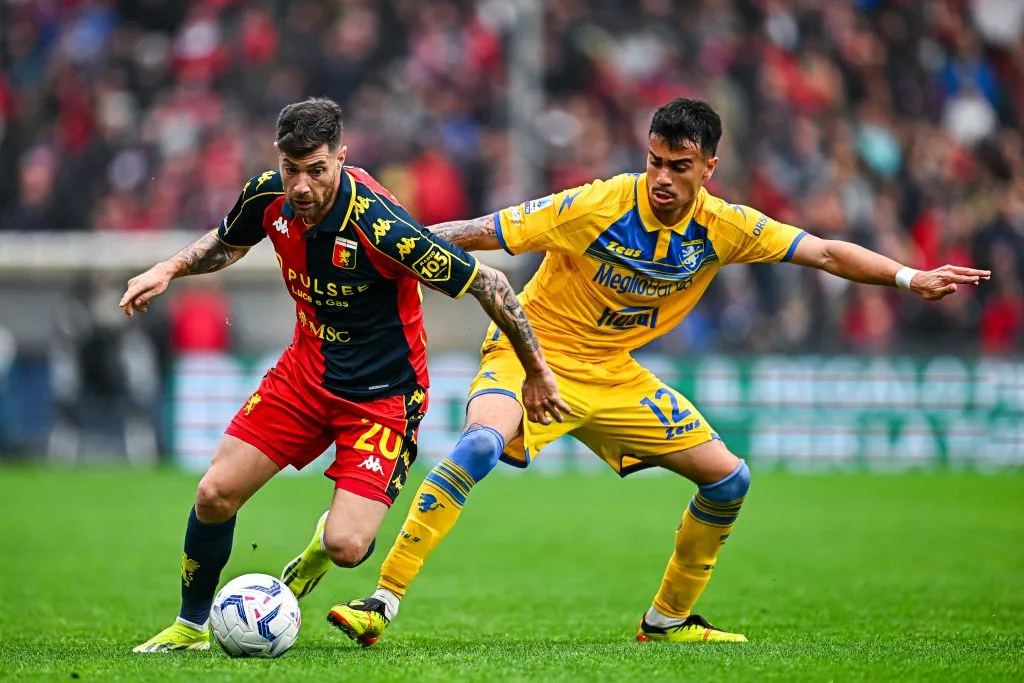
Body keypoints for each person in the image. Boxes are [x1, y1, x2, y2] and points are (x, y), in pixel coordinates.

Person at [296, 97, 990, 645]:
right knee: (478, 442)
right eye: (655, 160)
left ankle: (669, 618)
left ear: (708, 168)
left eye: (679, 166)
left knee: (729, 478)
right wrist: (382, 242)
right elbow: (480, 230)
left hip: (613, 375)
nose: (661, 177)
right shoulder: (596, 204)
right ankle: (379, 600)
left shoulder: (726, 227)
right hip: (530, 353)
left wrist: (908, 276)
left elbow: (827, 254)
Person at [125, 97, 568, 653]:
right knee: (214, 494)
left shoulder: (383, 226)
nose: (302, 186)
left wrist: (537, 372)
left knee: (347, 546)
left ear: (340, 156)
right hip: (305, 375)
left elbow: (492, 284)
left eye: (317, 170)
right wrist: (169, 268)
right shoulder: (268, 194)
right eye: (292, 170)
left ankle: (319, 546)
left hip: (382, 400)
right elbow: (225, 243)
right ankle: (190, 627)